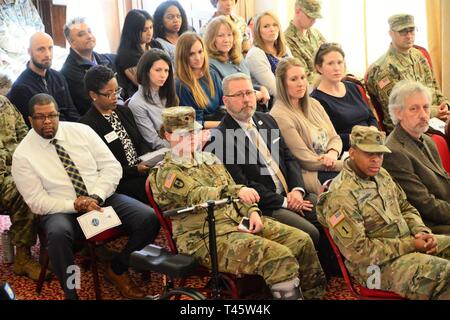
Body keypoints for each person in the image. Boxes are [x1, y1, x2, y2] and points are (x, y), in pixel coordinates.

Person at [149, 106, 326, 300]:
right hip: (203, 237)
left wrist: (252, 211)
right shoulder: (167, 172)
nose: (190, 137)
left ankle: (313, 295)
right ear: (168, 135)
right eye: (183, 134)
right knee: (278, 256)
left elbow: (234, 188)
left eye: (193, 131)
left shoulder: (209, 159)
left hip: (236, 221)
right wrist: (237, 191)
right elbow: (197, 194)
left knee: (301, 240)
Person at [11, 93, 160, 300]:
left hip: (99, 197)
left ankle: (117, 268)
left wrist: (96, 197)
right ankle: (72, 292)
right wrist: (75, 204)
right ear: (30, 119)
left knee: (149, 218)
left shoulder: (81, 131)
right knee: (57, 235)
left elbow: (111, 167)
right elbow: (37, 202)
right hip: (61, 209)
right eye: (40, 117)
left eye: (52, 115)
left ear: (58, 115)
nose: (47, 121)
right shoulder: (23, 155)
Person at [316, 125, 450, 300]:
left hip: (405, 246)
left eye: (379, 154)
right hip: (373, 270)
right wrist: (411, 244)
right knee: (445, 274)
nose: (376, 160)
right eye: (369, 154)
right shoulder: (340, 197)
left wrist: (420, 231)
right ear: (353, 152)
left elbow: (405, 207)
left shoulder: (381, 175)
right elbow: (359, 253)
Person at [208, 73, 319, 244]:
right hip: (266, 206)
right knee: (310, 232)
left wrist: (297, 190)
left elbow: (289, 158)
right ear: (226, 100)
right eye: (239, 95)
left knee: (330, 211)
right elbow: (243, 184)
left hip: (291, 193)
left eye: (249, 93)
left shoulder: (266, 120)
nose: (246, 99)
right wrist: (285, 202)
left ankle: (337, 266)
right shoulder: (221, 139)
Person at [382, 80, 450, 234]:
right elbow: (425, 205)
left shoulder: (426, 139)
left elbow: (444, 182)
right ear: (398, 113)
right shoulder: (395, 152)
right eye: (414, 109)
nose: (423, 115)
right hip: (428, 226)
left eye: (426, 107)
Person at [80, 65, 154, 204]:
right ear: (93, 95)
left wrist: (149, 158)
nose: (116, 97)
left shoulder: (123, 112)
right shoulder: (87, 125)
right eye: (109, 94)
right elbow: (100, 168)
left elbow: (139, 142)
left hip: (142, 169)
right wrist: (134, 170)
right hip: (120, 181)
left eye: (117, 91)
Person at [271, 57, 343, 194]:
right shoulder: (279, 115)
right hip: (312, 174)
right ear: (282, 83)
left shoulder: (314, 104)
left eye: (303, 77)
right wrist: (348, 165)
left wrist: (332, 153)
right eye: (294, 79)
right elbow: (305, 160)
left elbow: (335, 138)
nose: (301, 83)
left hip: (332, 164)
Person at [366, 14, 449, 133]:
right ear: (391, 33)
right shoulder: (384, 68)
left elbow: (434, 87)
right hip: (408, 130)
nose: (409, 36)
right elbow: (398, 112)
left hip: (434, 120)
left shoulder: (418, 55)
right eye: (403, 32)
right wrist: (436, 112)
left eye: (412, 31)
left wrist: (444, 104)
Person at [0, 90, 49, 281]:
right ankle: (23, 258)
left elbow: (24, 134)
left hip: (17, 166)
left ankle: (50, 248)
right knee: (25, 189)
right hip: (4, 176)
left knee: (51, 177)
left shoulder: (4, 104)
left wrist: (32, 162)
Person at [310, 43, 378, 151]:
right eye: (330, 63)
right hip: (347, 151)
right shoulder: (316, 100)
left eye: (339, 62)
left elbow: (370, 117)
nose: (337, 68)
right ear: (319, 68)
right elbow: (325, 138)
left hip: (372, 143)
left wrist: (373, 130)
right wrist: (359, 138)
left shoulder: (353, 87)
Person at [7, 32, 80, 127]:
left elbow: (72, 111)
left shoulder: (58, 76)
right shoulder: (21, 87)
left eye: (50, 48)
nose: (47, 54)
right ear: (29, 51)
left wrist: (81, 131)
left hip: (70, 130)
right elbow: (31, 127)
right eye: (41, 49)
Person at [203, 16, 270, 105]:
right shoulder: (210, 66)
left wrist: (261, 88)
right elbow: (222, 97)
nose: (226, 40)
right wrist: (252, 95)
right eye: (220, 35)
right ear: (211, 39)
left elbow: (245, 84)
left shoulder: (239, 59)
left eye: (229, 35)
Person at [61, 17, 115, 115]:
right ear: (71, 43)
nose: (89, 36)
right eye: (81, 34)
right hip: (96, 118)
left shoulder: (104, 60)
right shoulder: (69, 71)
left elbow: (119, 89)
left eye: (89, 31)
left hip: (116, 109)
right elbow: (92, 100)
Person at [128, 49, 177, 150]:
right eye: (158, 70)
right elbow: (154, 142)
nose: (163, 75)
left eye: (166, 70)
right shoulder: (137, 103)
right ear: (146, 71)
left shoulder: (167, 93)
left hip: (178, 144)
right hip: (161, 153)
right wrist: (181, 146)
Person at [175, 32, 223, 126]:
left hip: (221, 122)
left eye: (200, 52)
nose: (198, 58)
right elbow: (194, 123)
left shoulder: (212, 73)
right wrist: (223, 124)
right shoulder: (181, 85)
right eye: (191, 54)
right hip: (202, 133)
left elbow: (224, 102)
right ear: (182, 56)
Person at [115, 9, 162, 100]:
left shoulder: (155, 44)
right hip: (143, 98)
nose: (149, 33)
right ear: (133, 31)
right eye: (145, 30)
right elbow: (144, 83)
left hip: (163, 91)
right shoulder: (126, 55)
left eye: (151, 27)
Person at [245, 11, 291, 98]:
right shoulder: (255, 54)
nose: (272, 29)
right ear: (258, 31)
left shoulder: (285, 49)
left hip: (294, 97)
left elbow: (298, 73)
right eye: (266, 26)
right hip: (276, 103)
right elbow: (274, 89)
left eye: (275, 25)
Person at [284, 0, 326, 84]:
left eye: (315, 17)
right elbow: (303, 74)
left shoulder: (316, 34)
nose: (314, 21)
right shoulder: (287, 40)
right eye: (310, 16)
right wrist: (330, 78)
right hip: (312, 88)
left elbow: (331, 57)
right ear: (297, 11)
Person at [153, 1, 190, 65]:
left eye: (178, 16)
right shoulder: (158, 43)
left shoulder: (188, 36)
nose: (176, 20)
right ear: (160, 20)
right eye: (170, 17)